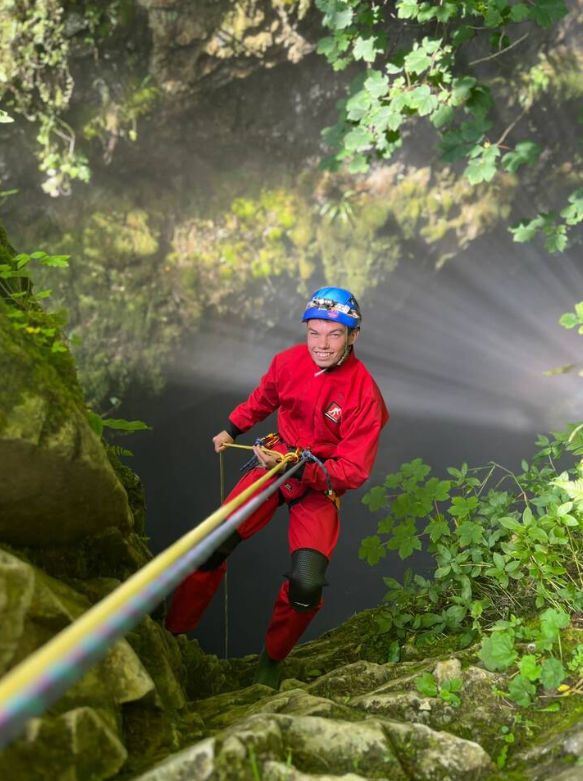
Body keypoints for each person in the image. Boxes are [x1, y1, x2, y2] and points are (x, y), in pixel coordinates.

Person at [165, 286, 389, 688]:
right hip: (273, 465)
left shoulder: (364, 396)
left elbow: (352, 469)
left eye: (334, 334)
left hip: (317, 485)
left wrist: (303, 472)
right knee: (213, 542)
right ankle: (174, 632)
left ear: (353, 336)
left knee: (307, 583)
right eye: (314, 333)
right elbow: (265, 397)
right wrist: (232, 427)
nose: (321, 345)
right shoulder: (288, 363)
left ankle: (272, 660)